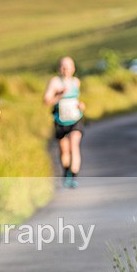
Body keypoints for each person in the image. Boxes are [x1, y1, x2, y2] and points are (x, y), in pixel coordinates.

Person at [43, 56, 85, 188]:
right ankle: (66, 172)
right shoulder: (55, 82)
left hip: (75, 119)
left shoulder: (76, 82)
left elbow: (76, 100)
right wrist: (59, 94)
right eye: (63, 66)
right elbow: (46, 101)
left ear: (73, 68)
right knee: (64, 150)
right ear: (59, 68)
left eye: (68, 66)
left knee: (74, 146)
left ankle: (74, 176)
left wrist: (81, 106)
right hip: (60, 121)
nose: (66, 69)